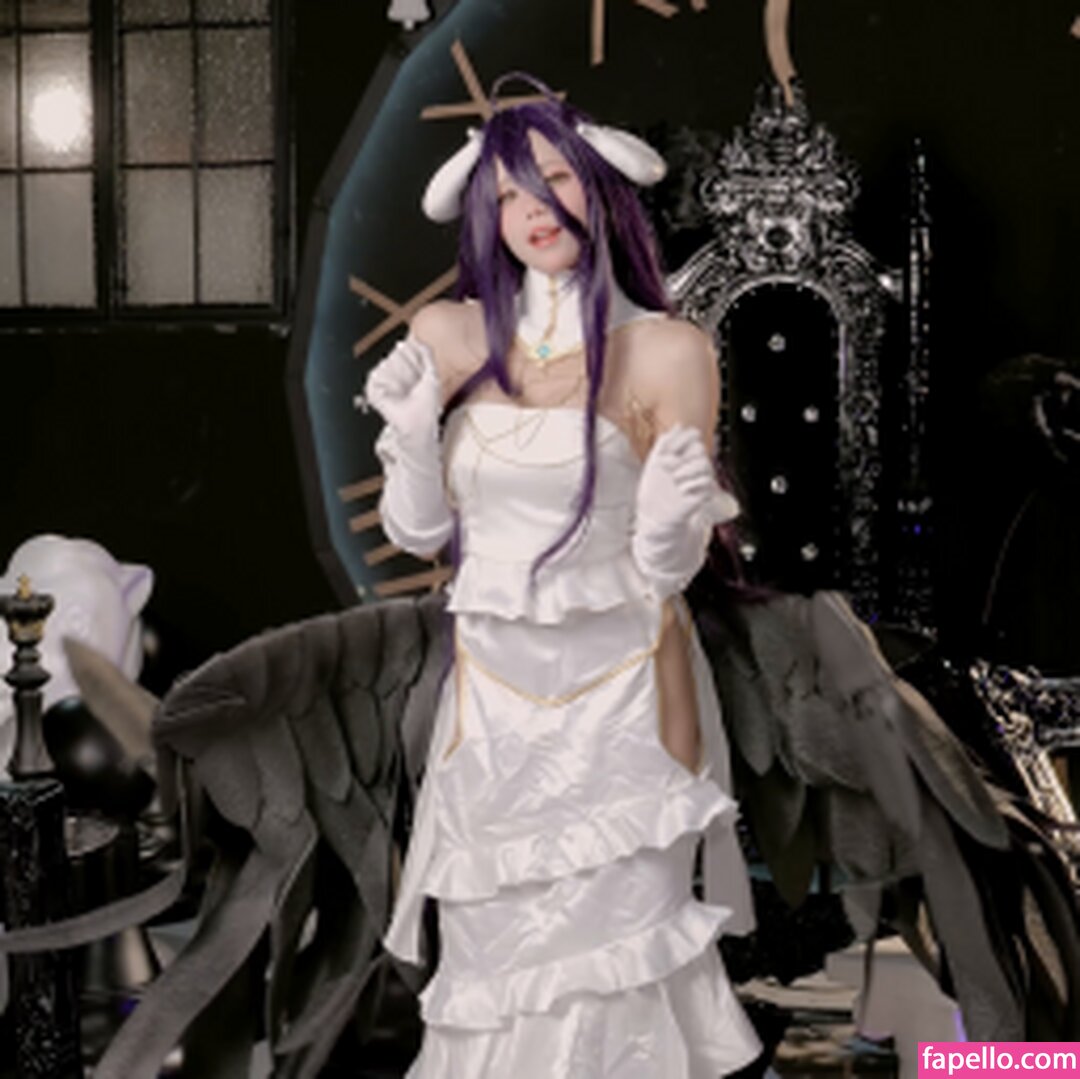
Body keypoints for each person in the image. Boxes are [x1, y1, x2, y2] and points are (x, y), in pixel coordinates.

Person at [365, 76, 761, 1077]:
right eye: (507, 193)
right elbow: (421, 534)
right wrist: (410, 440)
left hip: (626, 708)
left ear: (601, 185)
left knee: (625, 962)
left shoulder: (668, 350)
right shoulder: (448, 335)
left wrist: (669, 517)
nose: (533, 209)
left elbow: (665, 570)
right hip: (495, 715)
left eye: (555, 180)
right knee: (499, 964)